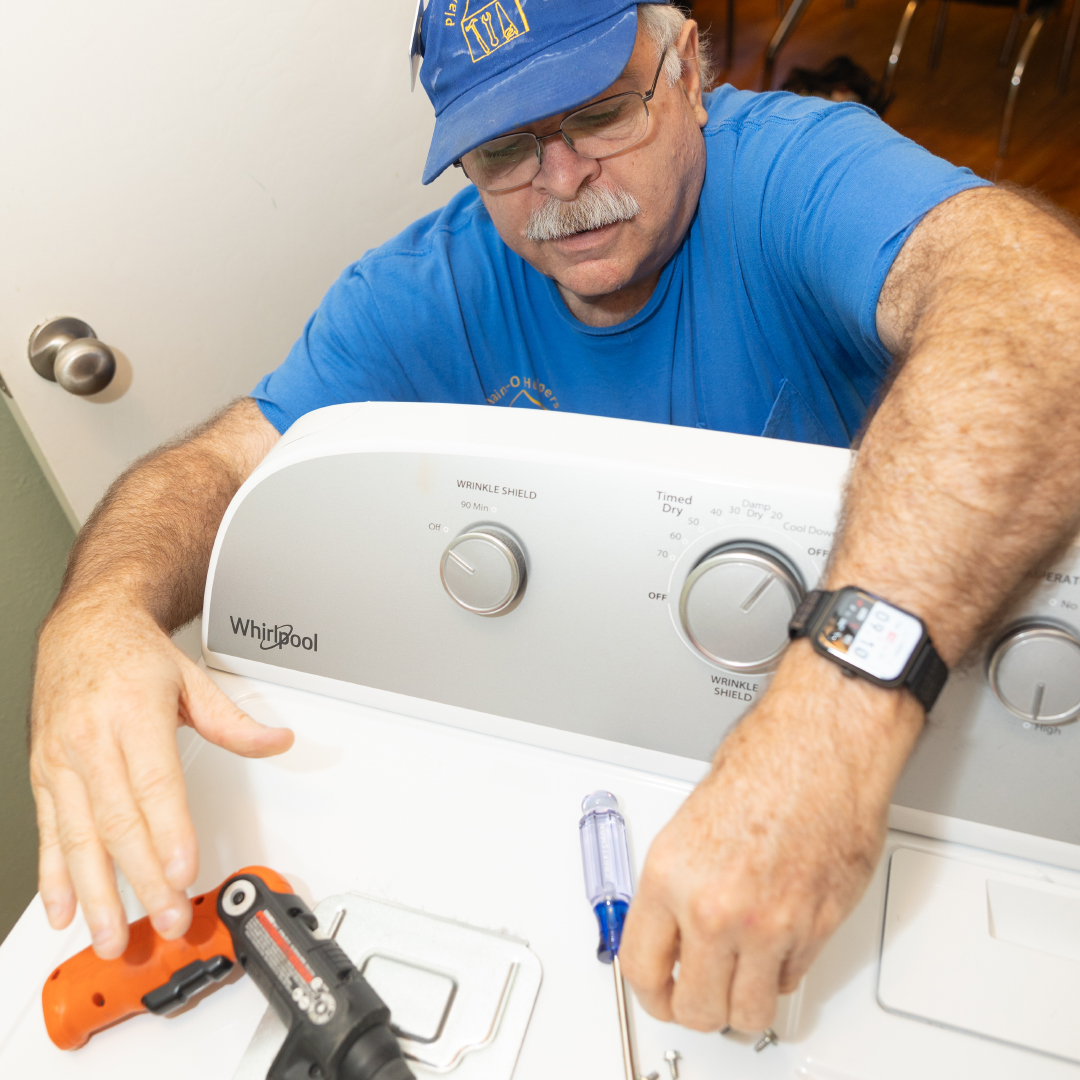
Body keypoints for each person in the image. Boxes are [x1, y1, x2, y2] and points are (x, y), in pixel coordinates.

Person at [29, 0, 1080, 1039]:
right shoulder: (431, 285)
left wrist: (834, 721)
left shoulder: (792, 175)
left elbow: (1048, 318)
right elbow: (225, 458)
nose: (563, 182)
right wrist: (96, 613)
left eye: (604, 113)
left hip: (887, 715)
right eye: (505, 148)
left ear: (689, 71)